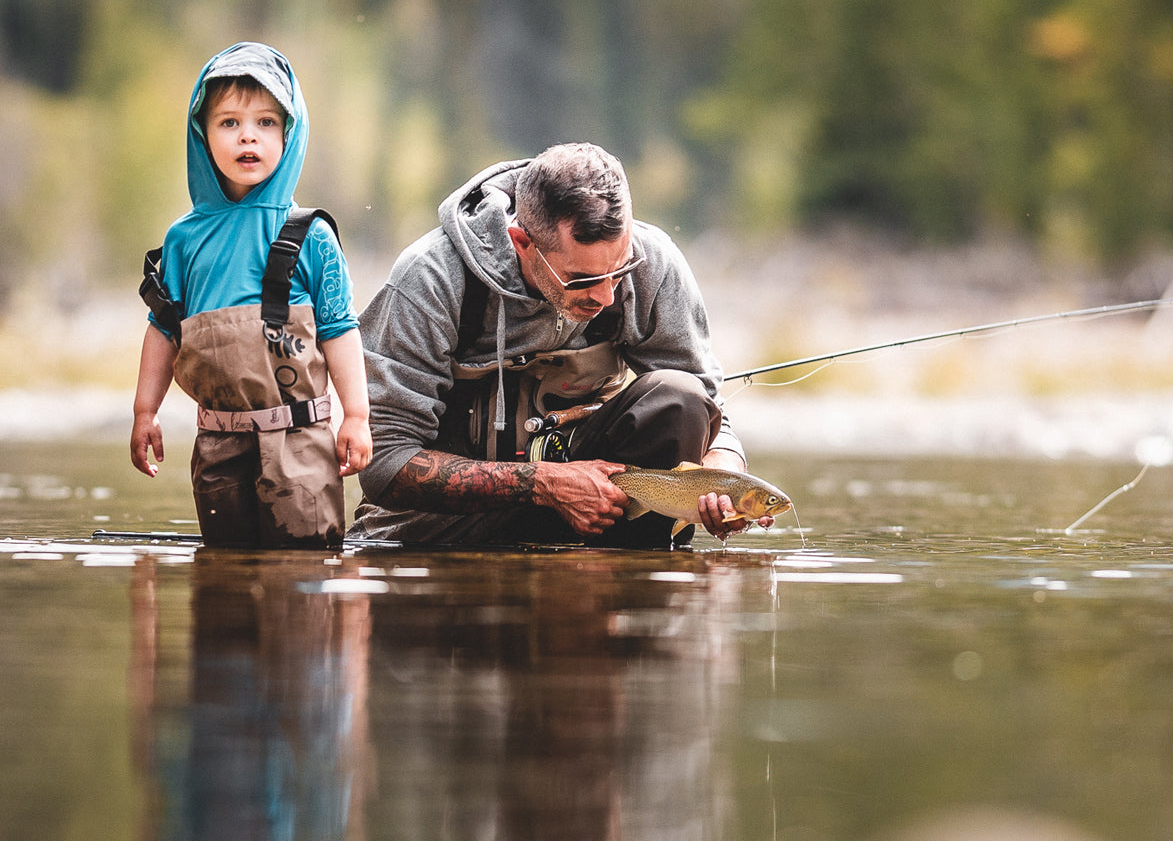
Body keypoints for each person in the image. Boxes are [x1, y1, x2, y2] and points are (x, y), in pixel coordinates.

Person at [350, 142, 772, 548]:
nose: (607, 296)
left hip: (596, 510)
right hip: (444, 529)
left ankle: (630, 590)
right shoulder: (430, 279)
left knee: (679, 398)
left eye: (619, 270)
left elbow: (709, 409)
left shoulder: (652, 263)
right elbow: (384, 462)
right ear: (523, 243)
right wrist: (543, 483)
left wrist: (724, 479)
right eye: (583, 279)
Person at [129, 41, 372, 548]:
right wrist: (144, 412)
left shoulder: (311, 234)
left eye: (266, 123)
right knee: (224, 581)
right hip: (217, 442)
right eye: (229, 123)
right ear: (202, 133)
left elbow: (338, 329)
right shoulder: (184, 240)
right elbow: (163, 332)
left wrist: (357, 415)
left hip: (301, 441)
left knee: (305, 575)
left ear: (290, 133)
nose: (248, 137)